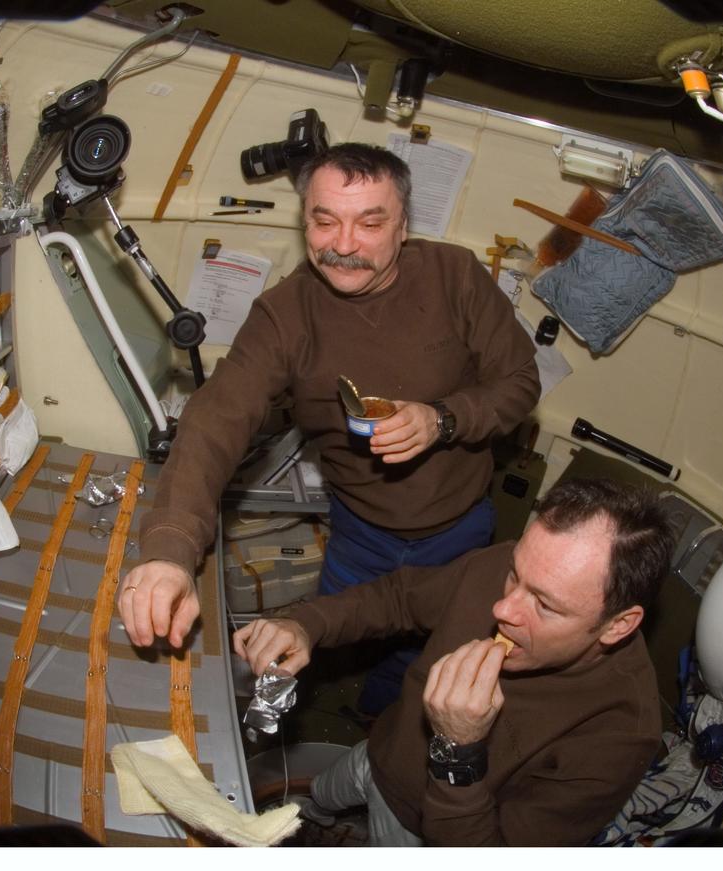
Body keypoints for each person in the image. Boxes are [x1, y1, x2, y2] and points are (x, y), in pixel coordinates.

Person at [118, 144, 541, 679]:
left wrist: (442, 418)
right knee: (330, 644)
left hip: (458, 532)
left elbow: (520, 382)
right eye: (325, 222)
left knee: (433, 663)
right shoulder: (284, 314)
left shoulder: (454, 275)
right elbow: (215, 417)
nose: (343, 245)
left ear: (402, 226)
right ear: (304, 222)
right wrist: (169, 551)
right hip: (358, 532)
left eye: (369, 223)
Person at [232, 478, 675, 846]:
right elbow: (399, 598)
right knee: (319, 800)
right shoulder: (508, 568)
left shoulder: (619, 734)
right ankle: (312, 819)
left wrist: (458, 752)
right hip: (375, 753)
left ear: (618, 625)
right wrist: (308, 624)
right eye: (515, 574)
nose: (504, 608)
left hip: (421, 831)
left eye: (544, 605)